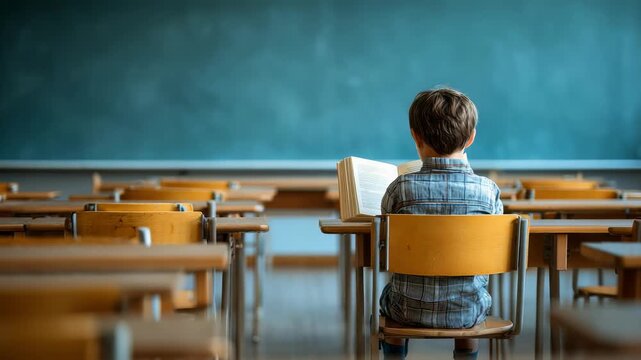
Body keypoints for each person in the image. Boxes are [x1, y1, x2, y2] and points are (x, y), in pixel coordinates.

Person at [379, 88, 503, 359]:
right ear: (471, 138)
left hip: (406, 309)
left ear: (415, 136)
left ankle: (394, 355)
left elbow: (383, 250)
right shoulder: (488, 191)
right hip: (468, 310)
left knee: (389, 296)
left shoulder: (400, 189)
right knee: (468, 290)